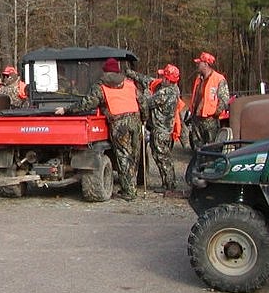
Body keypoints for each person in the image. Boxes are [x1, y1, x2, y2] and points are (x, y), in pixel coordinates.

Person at [55, 57, 145, 201]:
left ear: (105, 71)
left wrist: (67, 110)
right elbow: (143, 102)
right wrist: (144, 118)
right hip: (135, 121)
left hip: (119, 123)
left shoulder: (101, 86)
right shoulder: (129, 84)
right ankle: (131, 187)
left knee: (123, 156)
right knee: (134, 156)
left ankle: (129, 191)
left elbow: (87, 103)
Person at [127, 63, 181, 191]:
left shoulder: (166, 93)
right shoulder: (169, 88)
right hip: (161, 129)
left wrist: (145, 92)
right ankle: (169, 183)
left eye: (164, 77)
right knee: (162, 156)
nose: (161, 79)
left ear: (168, 79)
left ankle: (169, 185)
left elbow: (147, 103)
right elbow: (147, 80)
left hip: (161, 130)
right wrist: (131, 74)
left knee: (162, 157)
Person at [189, 52, 230, 150]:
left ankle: (211, 164)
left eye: (200, 63)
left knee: (212, 148)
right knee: (198, 148)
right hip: (197, 119)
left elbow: (224, 99)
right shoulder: (199, 79)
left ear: (206, 64)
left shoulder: (219, 79)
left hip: (210, 120)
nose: (197, 65)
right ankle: (201, 165)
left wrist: (216, 113)